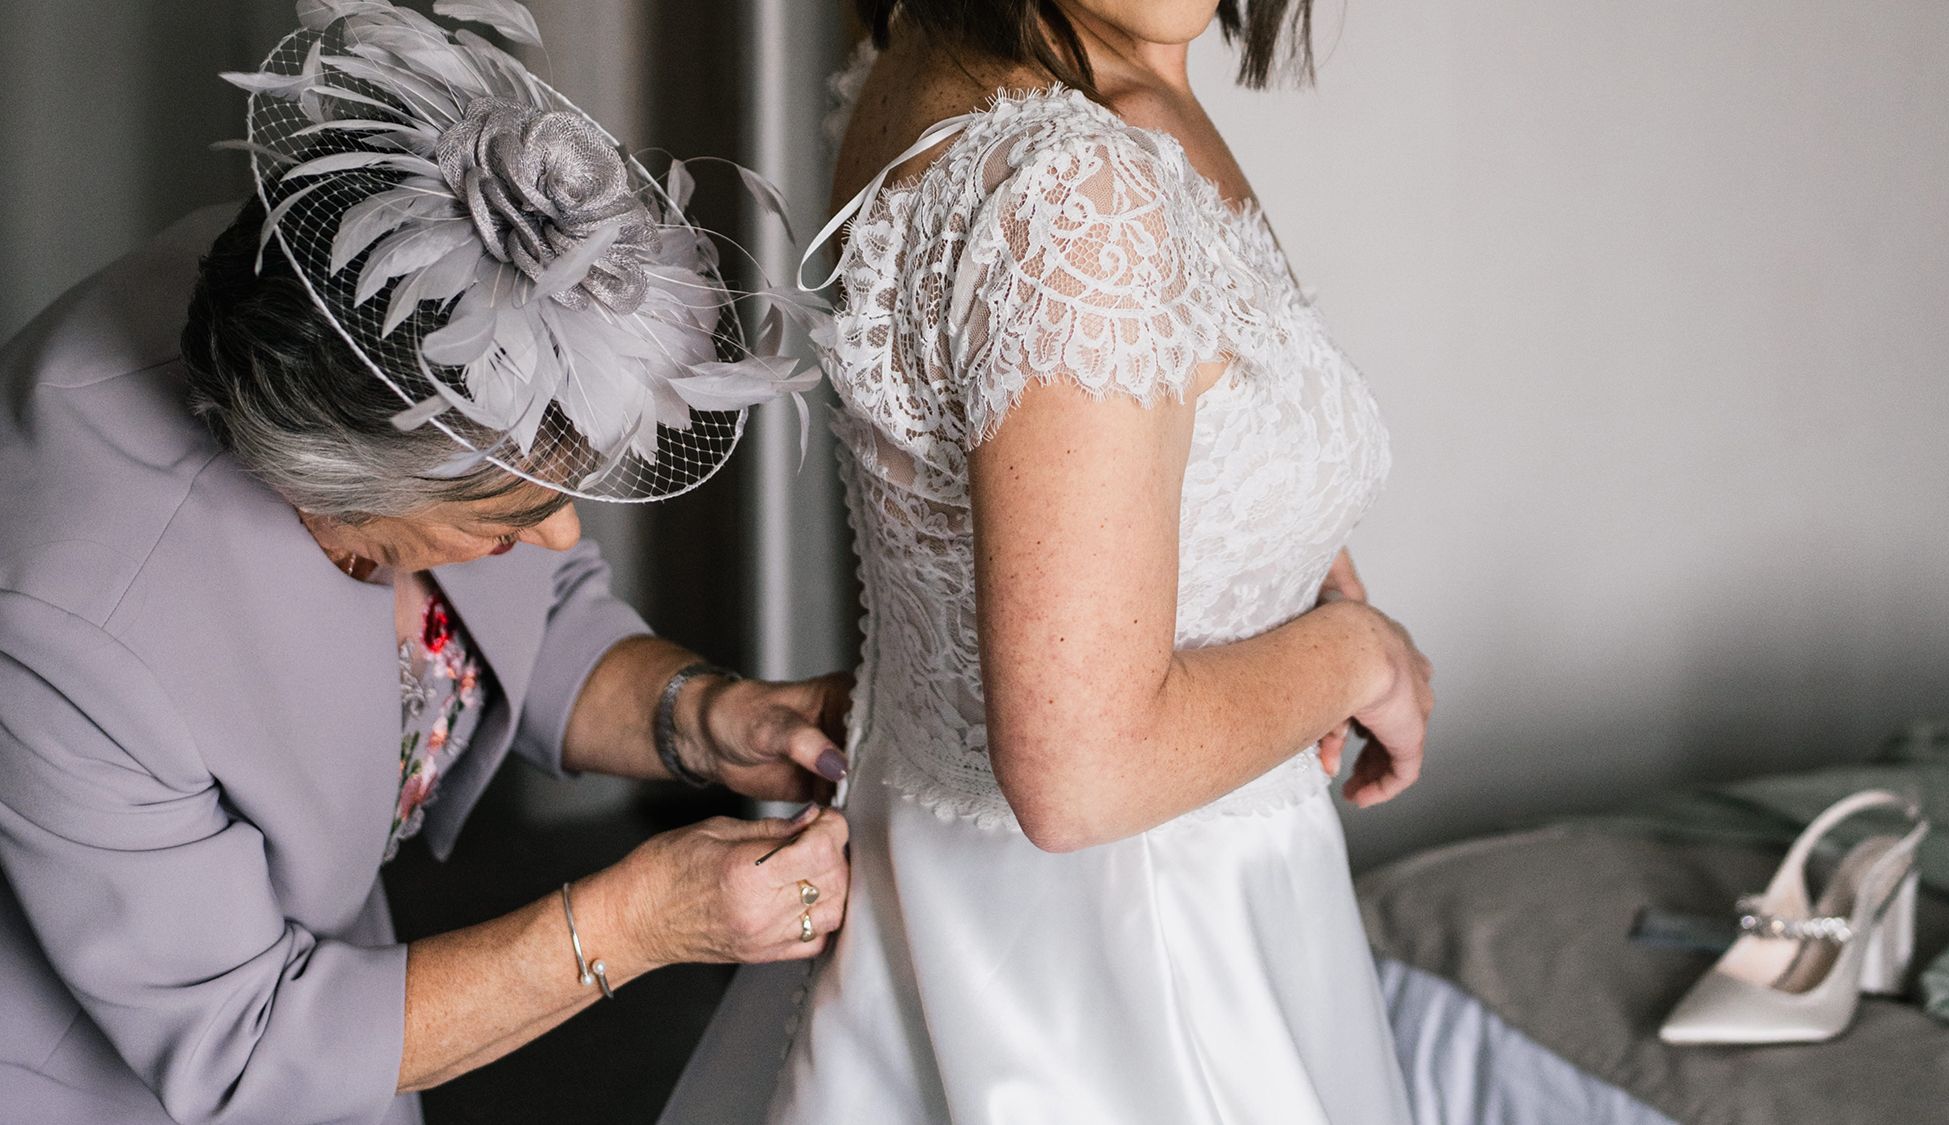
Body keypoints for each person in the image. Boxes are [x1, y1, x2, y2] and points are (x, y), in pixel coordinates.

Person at [0, 3, 848, 1122]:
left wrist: (706, 716)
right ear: (329, 487)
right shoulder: (74, 635)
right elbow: (250, 1048)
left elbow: (524, 619)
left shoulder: (365, 303)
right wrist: (639, 922)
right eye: (507, 519)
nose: (558, 541)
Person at [665, 1, 1434, 1121]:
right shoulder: (1077, 193)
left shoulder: (934, 66)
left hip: (954, 915)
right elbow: (1084, 775)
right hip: (1130, 975)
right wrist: (1361, 657)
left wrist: (1294, 538)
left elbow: (1137, 419)